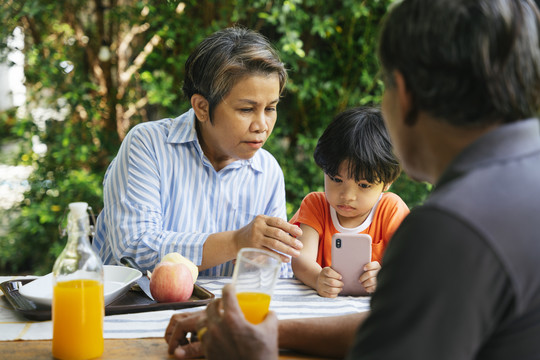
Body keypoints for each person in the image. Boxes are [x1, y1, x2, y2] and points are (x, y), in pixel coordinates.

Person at [164, 0, 540, 359]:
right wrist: (269, 330)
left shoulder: (451, 229)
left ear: (404, 95)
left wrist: (252, 353)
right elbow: (399, 328)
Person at [92, 26, 303, 276]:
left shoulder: (266, 170)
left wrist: (262, 261)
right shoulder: (148, 145)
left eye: (270, 108)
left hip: (220, 312)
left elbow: (277, 271)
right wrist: (236, 242)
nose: (262, 126)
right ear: (202, 107)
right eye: (246, 109)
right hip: (133, 311)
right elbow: (135, 252)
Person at [290, 107, 409, 297]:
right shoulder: (316, 206)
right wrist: (317, 278)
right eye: (336, 180)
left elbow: (410, 262)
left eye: (363, 185)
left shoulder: (391, 209)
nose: (347, 196)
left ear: (387, 182)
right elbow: (301, 259)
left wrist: (386, 276)